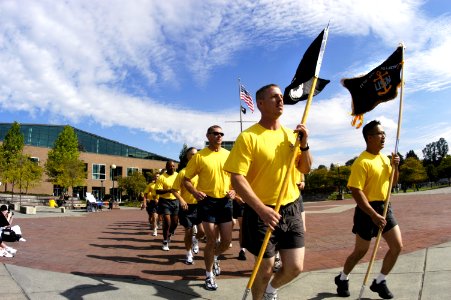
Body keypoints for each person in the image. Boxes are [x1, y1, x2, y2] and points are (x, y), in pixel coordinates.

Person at [224, 83, 312, 300]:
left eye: (281, 96)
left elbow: (305, 168)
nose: (281, 100)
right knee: (264, 270)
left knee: (295, 267)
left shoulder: (292, 136)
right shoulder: (249, 137)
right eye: (274, 97)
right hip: (261, 211)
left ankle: (271, 292)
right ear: (261, 103)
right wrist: (261, 209)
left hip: (291, 207)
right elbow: (237, 177)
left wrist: (305, 145)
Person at [334, 120, 401, 299]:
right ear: (369, 138)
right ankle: (342, 278)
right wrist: (373, 214)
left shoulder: (385, 158)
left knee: (397, 246)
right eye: (380, 134)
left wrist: (395, 167)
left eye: (384, 133)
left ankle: (380, 281)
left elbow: (392, 183)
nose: (384, 137)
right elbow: (356, 191)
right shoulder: (361, 162)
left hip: (385, 207)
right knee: (360, 251)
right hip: (367, 211)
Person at [183, 125, 236, 291]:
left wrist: (234, 190)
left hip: (225, 202)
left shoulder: (229, 155)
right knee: (211, 240)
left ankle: (214, 258)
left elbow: (236, 176)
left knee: (226, 242)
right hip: (208, 202)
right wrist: (195, 192)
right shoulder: (199, 156)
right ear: (208, 136)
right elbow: (186, 179)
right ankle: (208, 275)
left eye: (221, 134)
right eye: (215, 133)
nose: (219, 136)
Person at [172, 147, 205, 265]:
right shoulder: (183, 172)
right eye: (192, 154)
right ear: (187, 157)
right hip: (186, 207)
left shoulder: (202, 171)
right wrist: (181, 200)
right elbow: (174, 189)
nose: (194, 156)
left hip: (199, 206)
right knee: (188, 231)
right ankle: (189, 253)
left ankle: (195, 241)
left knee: (202, 232)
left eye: (196, 154)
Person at [156, 161, 179, 251]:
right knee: (167, 221)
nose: (172, 167)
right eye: (170, 166)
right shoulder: (162, 177)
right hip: (165, 201)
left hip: (175, 201)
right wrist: (168, 190)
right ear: (166, 167)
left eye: (173, 166)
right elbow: (158, 191)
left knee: (175, 222)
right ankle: (165, 241)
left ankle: (169, 233)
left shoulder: (178, 175)